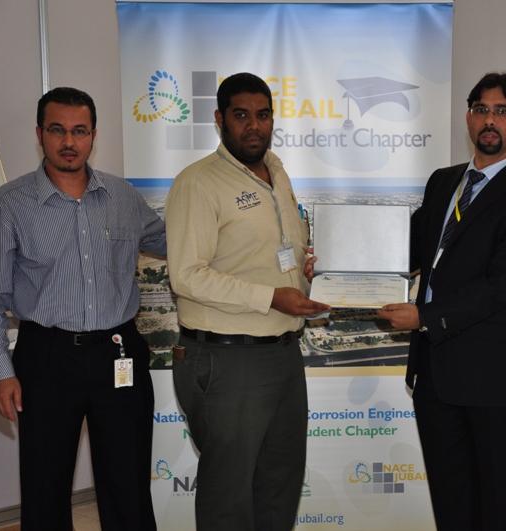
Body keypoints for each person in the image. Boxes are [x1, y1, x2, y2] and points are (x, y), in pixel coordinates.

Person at [0, 87, 165, 531]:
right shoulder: (9, 204)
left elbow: (175, 242)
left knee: (128, 485)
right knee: (45, 487)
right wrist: (1, 370)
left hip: (118, 352)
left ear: (93, 135)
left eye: (80, 131)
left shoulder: (122, 197)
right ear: (39, 133)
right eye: (57, 130)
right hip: (47, 357)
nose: (69, 142)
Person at [377, 72, 506, 530]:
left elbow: (503, 286)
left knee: (503, 506)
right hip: (435, 374)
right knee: (451, 502)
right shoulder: (443, 182)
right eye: (481, 109)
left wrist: (424, 316)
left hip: (493, 379)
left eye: (502, 111)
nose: (490, 120)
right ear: (468, 117)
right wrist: (337, 262)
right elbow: (408, 250)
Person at [165, 72, 329, 530]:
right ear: (219, 120)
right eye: (241, 115)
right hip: (226, 358)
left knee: (280, 486)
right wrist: (272, 297)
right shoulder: (198, 183)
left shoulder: (278, 172)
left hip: (283, 354)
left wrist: (305, 274)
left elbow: (272, 255)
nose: (254, 126)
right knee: (229, 498)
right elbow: (186, 275)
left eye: (262, 115)